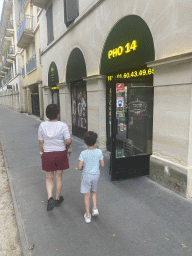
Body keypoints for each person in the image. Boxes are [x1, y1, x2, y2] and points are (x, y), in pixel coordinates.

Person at [38, 104, 72, 211]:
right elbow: (68, 140)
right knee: (58, 177)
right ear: (58, 113)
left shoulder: (42, 126)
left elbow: (41, 142)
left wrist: (41, 153)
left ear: (47, 114)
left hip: (48, 153)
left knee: (49, 178)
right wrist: (67, 145)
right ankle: (57, 198)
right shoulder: (63, 125)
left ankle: (50, 198)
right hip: (60, 153)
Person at [78, 131, 104, 223]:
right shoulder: (99, 151)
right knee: (93, 191)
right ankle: (95, 208)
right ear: (95, 141)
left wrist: (80, 168)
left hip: (86, 175)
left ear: (85, 141)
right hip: (96, 175)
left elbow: (80, 166)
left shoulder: (83, 153)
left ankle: (88, 215)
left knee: (86, 194)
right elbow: (102, 164)